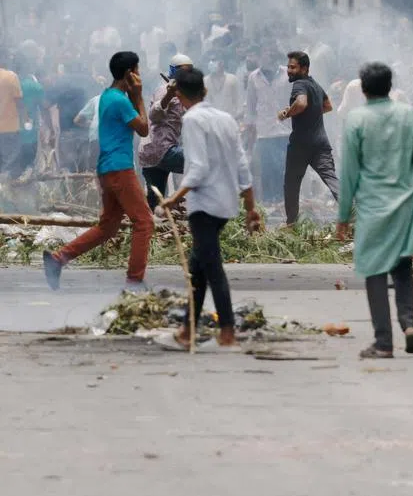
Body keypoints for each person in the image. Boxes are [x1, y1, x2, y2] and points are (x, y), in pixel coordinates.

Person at [336, 62, 413, 359]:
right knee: (403, 267)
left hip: (372, 206)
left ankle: (383, 342)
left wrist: (343, 216)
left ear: (363, 89)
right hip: (406, 203)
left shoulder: (356, 120)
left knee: (375, 270)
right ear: (389, 87)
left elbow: (349, 173)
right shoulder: (408, 116)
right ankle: (410, 325)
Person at [158, 68, 261, 349]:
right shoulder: (226, 119)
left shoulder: (191, 120)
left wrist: (173, 197)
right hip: (225, 204)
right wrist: (250, 206)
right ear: (204, 91)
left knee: (212, 268)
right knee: (198, 268)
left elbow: (198, 168)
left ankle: (227, 331)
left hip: (204, 206)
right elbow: (242, 164)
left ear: (178, 96)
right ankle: (187, 330)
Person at [43, 52, 153, 290]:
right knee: (144, 222)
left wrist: (133, 95)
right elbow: (144, 129)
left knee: (108, 227)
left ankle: (58, 259)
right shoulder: (121, 101)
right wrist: (139, 96)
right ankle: (135, 280)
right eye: (138, 70)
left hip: (106, 169)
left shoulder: (107, 96)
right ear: (129, 74)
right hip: (120, 168)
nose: (140, 76)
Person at [279, 50, 339, 225]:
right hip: (321, 143)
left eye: (293, 67)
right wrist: (308, 113)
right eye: (288, 67)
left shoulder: (300, 84)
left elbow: (302, 103)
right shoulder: (315, 85)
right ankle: (352, 210)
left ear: (304, 69)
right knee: (330, 178)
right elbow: (327, 106)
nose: (289, 71)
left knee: (291, 184)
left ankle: (291, 225)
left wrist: (286, 113)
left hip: (300, 145)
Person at [140, 54, 193, 211]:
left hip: (151, 154)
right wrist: (170, 95)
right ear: (173, 72)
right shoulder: (164, 90)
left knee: (156, 204)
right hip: (162, 149)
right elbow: (154, 114)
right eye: (183, 71)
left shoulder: (183, 93)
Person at [245, 51, 291, 203]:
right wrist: (250, 130)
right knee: (266, 168)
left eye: (268, 56)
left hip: (285, 129)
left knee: (283, 167)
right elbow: (251, 107)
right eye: (262, 56)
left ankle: (283, 200)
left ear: (275, 59)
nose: (264, 60)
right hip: (264, 130)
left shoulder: (287, 74)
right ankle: (268, 201)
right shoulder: (254, 77)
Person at [13, 55, 44, 176]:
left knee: (12, 171)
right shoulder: (35, 86)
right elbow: (44, 106)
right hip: (29, 136)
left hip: (9, 134)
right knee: (28, 171)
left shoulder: (7, 84)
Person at [0, 52, 28, 177]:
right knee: (10, 163)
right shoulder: (10, 77)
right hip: (9, 127)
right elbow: (19, 101)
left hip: (8, 128)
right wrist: (26, 120)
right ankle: (6, 190)